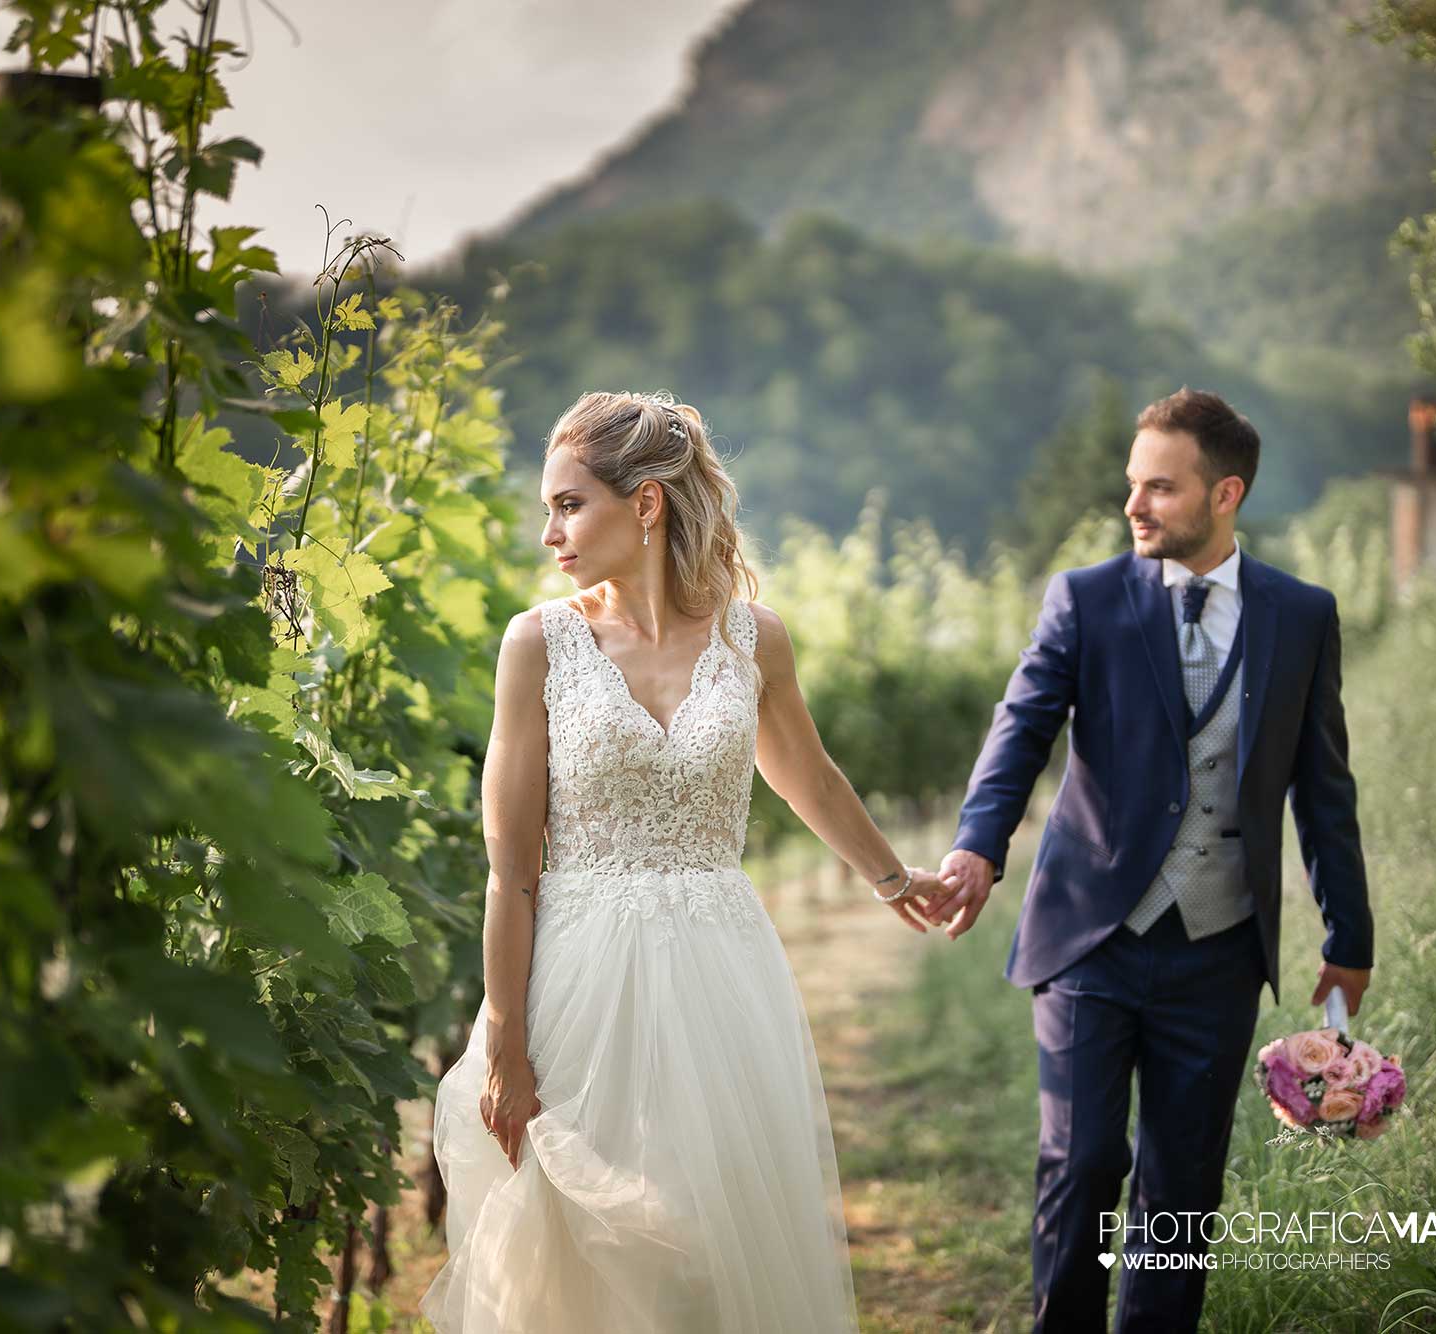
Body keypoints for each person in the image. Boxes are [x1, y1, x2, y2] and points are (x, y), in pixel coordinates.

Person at [420, 390, 941, 1334]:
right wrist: (503, 1036)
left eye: (570, 505)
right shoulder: (538, 644)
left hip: (720, 971)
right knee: (588, 1250)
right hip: (579, 975)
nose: (551, 534)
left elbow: (810, 779)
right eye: (550, 509)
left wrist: (895, 880)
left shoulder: (755, 638)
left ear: (648, 504)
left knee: (712, 1245)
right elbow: (513, 867)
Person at [919, 388, 1376, 1332]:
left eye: (1160, 489)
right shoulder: (1085, 600)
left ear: (1226, 494)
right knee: (1082, 1164)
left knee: (1181, 1193)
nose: (1134, 506)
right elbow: (1021, 731)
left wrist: (1349, 936)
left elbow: (1323, 788)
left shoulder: (1301, 616)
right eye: (1133, 486)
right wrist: (977, 846)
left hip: (1220, 950)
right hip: (1093, 938)